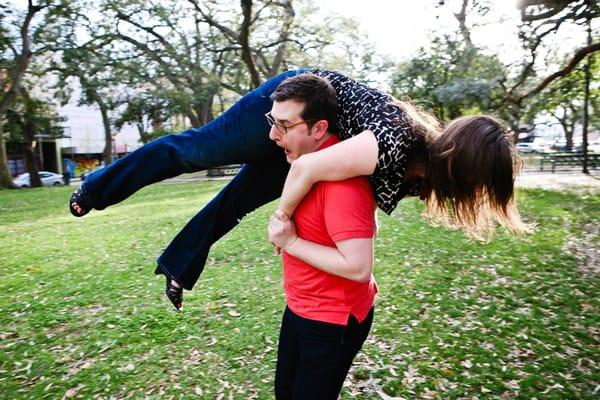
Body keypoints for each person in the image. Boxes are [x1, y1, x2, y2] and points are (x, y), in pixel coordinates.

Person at [69, 68, 529, 311]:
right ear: (458, 164)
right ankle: (95, 189)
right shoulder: (393, 142)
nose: (475, 197)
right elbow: (308, 168)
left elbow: (344, 199)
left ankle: (177, 266)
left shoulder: (419, 174)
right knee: (193, 151)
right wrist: (284, 222)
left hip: (316, 139)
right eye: (480, 185)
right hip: (299, 108)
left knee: (238, 200)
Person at [266, 74, 377, 399]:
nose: (273, 135)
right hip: (301, 307)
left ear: (318, 128)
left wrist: (291, 242)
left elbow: (359, 268)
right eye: (273, 122)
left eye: (285, 126)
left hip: (331, 321)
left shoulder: (341, 184)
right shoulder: (308, 165)